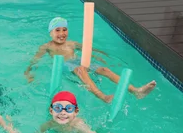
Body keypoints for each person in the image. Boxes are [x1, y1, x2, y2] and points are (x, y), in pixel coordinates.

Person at [24, 17, 156, 103]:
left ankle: (136, 91)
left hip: (77, 61)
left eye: (64, 29)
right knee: (80, 69)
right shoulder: (47, 46)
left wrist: (100, 56)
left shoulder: (72, 44)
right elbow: (35, 60)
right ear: (50, 33)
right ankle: (102, 96)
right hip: (64, 66)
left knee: (104, 70)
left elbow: (89, 50)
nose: (62, 33)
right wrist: (29, 72)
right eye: (57, 30)